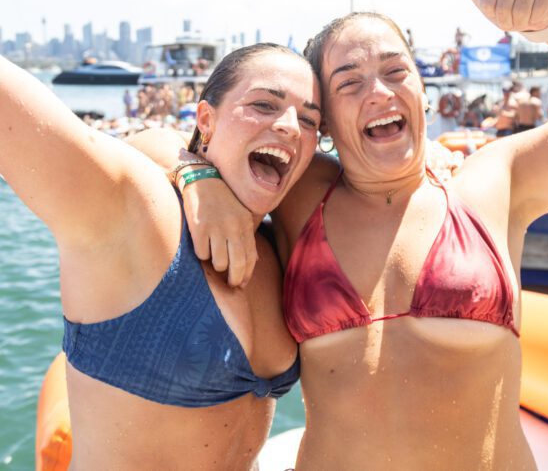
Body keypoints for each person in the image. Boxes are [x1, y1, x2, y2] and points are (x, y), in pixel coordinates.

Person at [161, 0, 548, 470]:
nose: (379, 92)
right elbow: (142, 150)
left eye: (397, 73)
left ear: (422, 91)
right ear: (324, 122)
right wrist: (198, 174)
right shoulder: (301, 192)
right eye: (349, 83)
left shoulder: (491, 182)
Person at [0, 43, 321, 470]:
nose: (289, 127)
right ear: (205, 120)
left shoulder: (277, 240)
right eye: (264, 104)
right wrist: (192, 168)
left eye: (309, 120)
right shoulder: (135, 213)